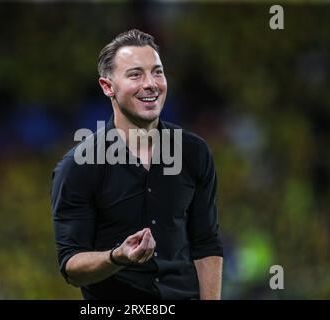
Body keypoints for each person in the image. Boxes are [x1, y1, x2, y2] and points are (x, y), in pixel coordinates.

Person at [51, 29, 223, 300]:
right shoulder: (78, 166)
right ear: (108, 87)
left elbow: (206, 243)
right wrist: (116, 257)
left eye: (157, 72)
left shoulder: (194, 152)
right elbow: (71, 266)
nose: (151, 83)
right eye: (135, 75)